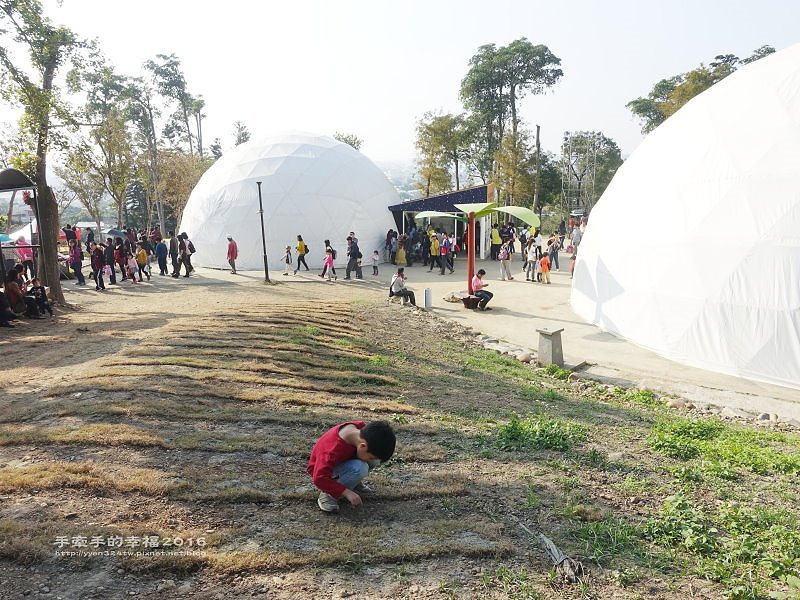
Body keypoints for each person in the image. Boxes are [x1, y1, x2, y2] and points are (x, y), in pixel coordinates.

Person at [307, 420, 396, 513]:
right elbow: (319, 478)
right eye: (370, 457)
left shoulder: (361, 430)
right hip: (322, 472)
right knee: (360, 468)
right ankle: (329, 495)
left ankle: (353, 481)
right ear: (362, 446)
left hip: (343, 460)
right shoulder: (332, 450)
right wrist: (346, 492)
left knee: (375, 460)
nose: (370, 459)